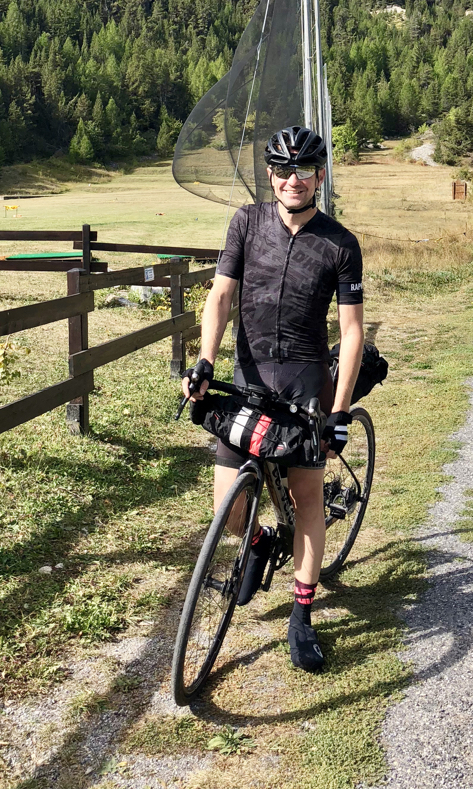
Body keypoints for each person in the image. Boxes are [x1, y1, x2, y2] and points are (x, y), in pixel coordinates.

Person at [182, 125, 364, 672]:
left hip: (306, 382)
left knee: (306, 501)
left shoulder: (340, 244)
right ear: (270, 175)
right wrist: (205, 359)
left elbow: (351, 331)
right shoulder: (246, 222)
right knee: (229, 510)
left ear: (320, 175)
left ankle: (301, 615)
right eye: (283, 171)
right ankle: (260, 540)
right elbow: (221, 295)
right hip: (248, 377)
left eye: (303, 170)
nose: (292, 180)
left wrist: (338, 412)